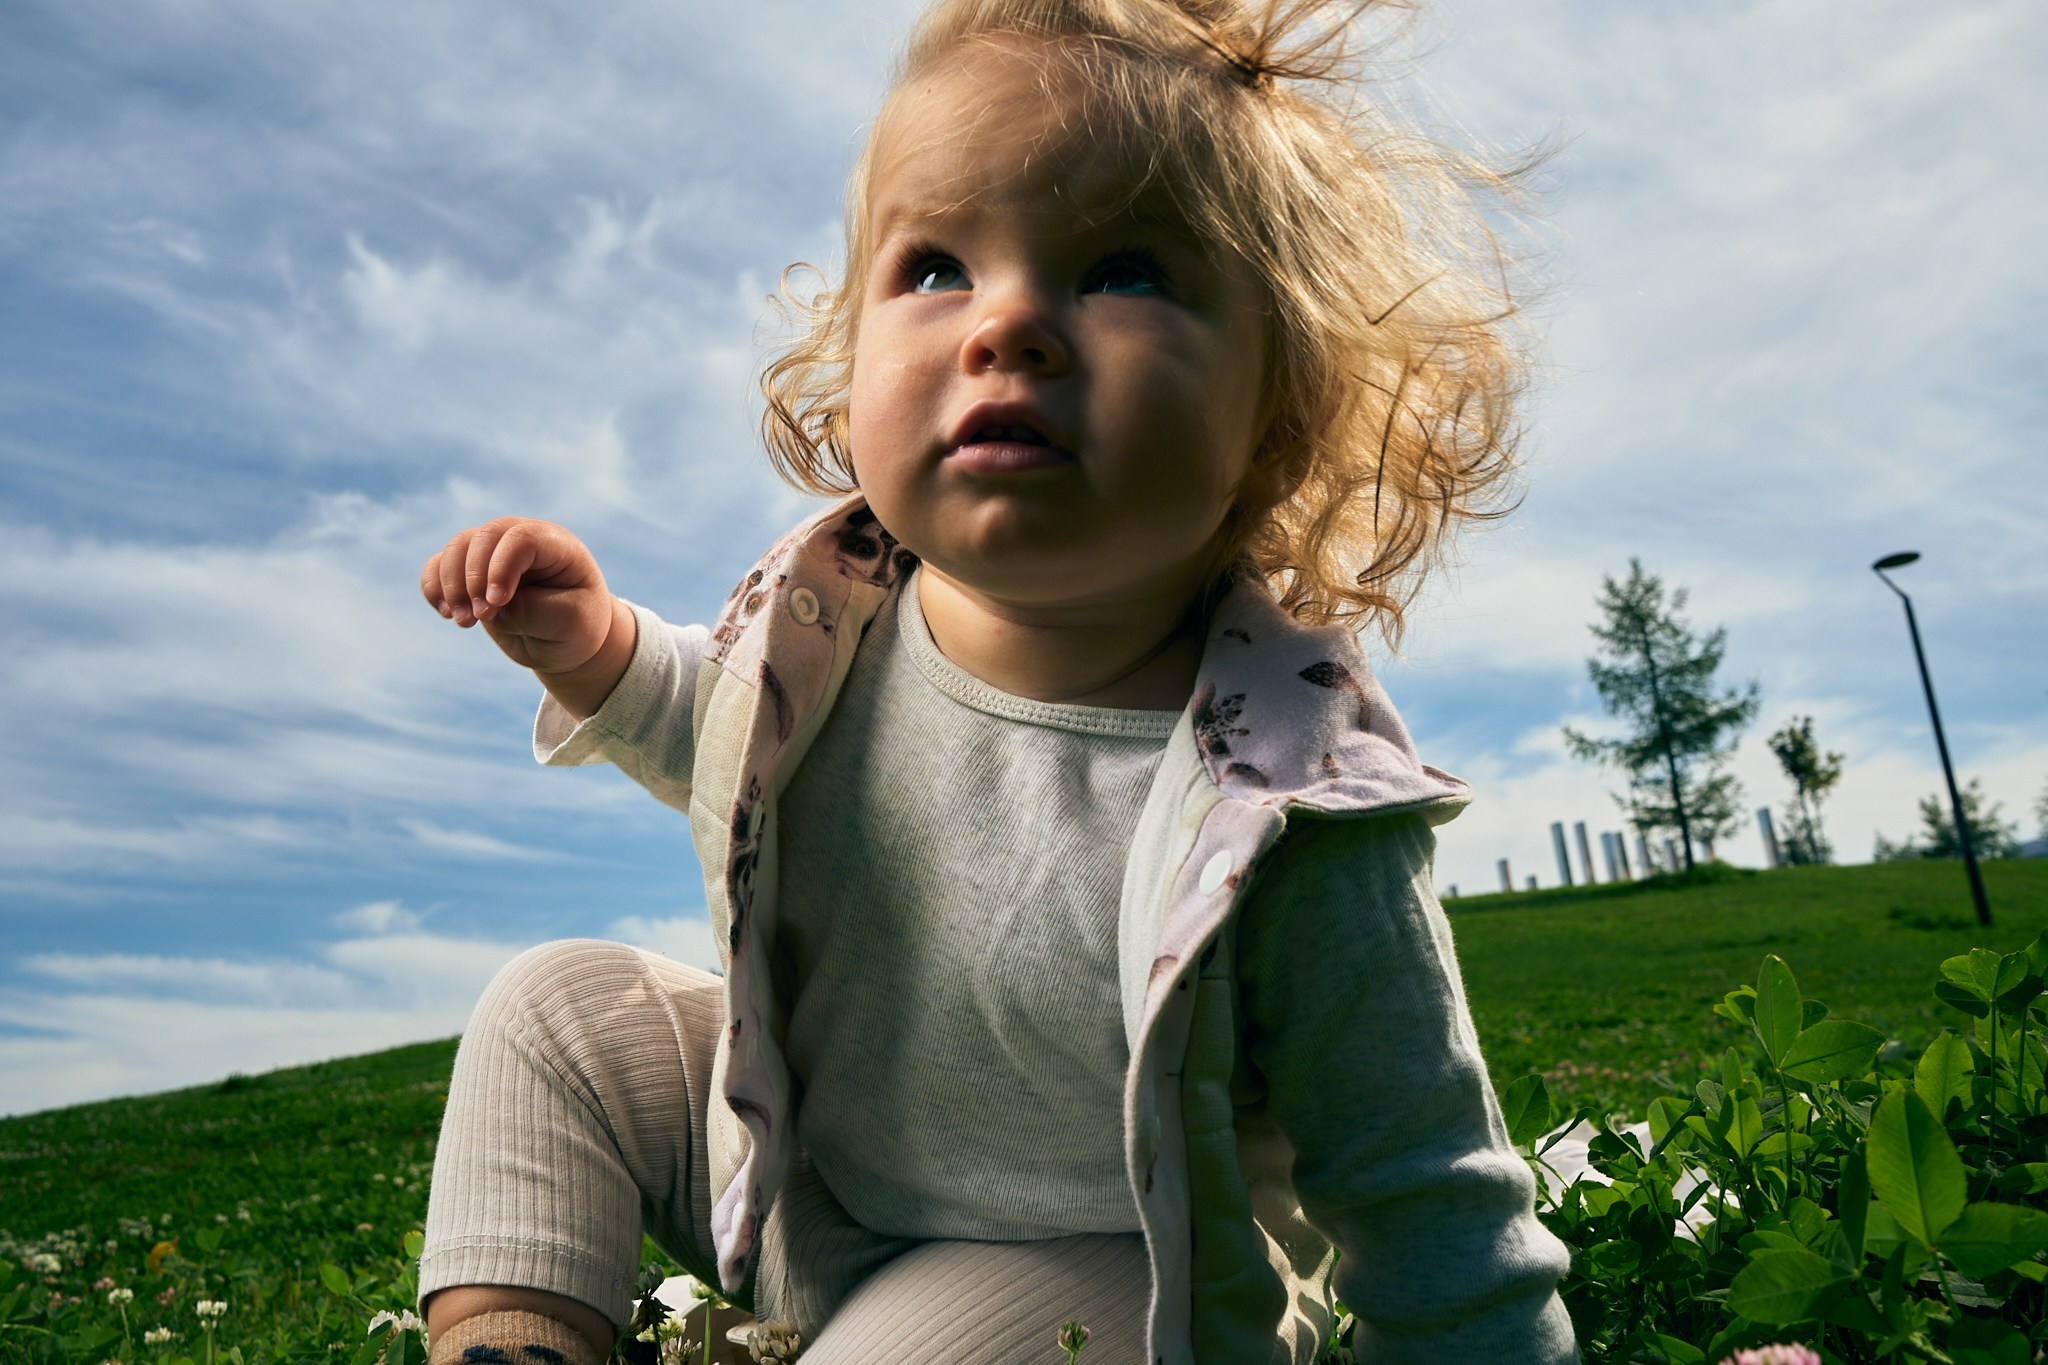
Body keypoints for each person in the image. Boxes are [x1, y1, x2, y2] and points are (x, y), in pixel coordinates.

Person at [414, 0, 1577, 1361]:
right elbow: (716, 722)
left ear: (1280, 416)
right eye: (934, 268)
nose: (1009, 321)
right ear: (848, 370)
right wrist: (600, 645)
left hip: (1107, 1273)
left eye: (1127, 269)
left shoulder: (1289, 799)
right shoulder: (827, 623)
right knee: (553, 1013)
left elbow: (1426, 1184)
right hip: (818, 1191)